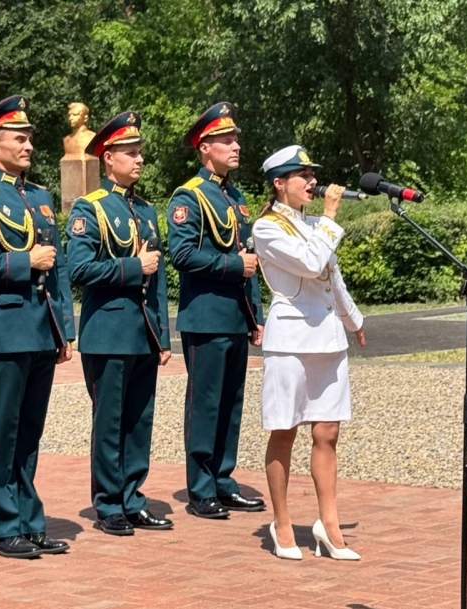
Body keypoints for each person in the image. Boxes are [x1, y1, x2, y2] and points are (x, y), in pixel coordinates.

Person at [0, 95, 76, 559]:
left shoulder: (40, 197)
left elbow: (59, 268)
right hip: (2, 333)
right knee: (2, 433)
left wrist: (64, 330)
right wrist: (23, 262)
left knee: (29, 434)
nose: (28, 146)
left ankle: (29, 520)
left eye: (29, 139)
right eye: (19, 138)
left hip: (40, 331)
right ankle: (3, 527)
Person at [252, 145, 365, 561]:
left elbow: (332, 277)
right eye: (304, 175)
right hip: (291, 340)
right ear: (280, 183)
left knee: (327, 432)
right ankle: (281, 522)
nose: (313, 182)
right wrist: (331, 217)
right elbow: (310, 262)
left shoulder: (316, 224)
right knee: (285, 430)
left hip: (327, 338)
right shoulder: (266, 228)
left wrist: (354, 320)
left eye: (313, 174)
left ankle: (328, 525)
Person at [65, 111, 173, 536]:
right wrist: (132, 267)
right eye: (130, 152)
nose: (139, 158)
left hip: (142, 332)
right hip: (107, 332)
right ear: (108, 158)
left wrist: (162, 335)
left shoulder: (145, 209)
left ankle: (132, 498)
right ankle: (109, 503)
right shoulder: (90, 207)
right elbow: (80, 269)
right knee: (110, 423)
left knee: (139, 421)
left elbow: (158, 278)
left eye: (140, 151)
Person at [166, 102, 265, 519]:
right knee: (205, 404)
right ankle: (201, 487)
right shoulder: (189, 196)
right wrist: (232, 266)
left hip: (235, 315)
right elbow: (181, 254)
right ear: (205, 147)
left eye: (236, 138)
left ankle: (224, 481)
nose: (236, 146)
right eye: (226, 140)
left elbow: (250, 258)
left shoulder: (235, 196)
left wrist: (256, 315)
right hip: (206, 316)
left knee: (231, 403)